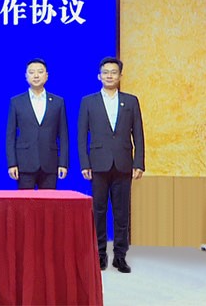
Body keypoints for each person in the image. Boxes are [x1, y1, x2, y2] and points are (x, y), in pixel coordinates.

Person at [78, 57, 145, 274]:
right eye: (105, 72)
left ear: (120, 76)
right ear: (99, 76)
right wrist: (85, 163)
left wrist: (139, 163)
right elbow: (81, 136)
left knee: (121, 212)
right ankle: (99, 254)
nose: (109, 75)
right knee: (98, 211)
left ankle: (120, 256)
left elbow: (138, 134)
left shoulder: (131, 101)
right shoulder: (88, 102)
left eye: (113, 72)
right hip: (98, 165)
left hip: (124, 164)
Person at [6, 58, 69, 189]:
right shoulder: (16, 102)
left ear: (46, 76)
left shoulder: (58, 102)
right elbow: (10, 135)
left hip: (50, 163)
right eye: (31, 72)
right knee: (25, 201)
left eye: (40, 72)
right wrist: (12, 163)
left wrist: (63, 163)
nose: (36, 76)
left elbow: (63, 135)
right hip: (24, 163)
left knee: (49, 201)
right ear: (26, 76)